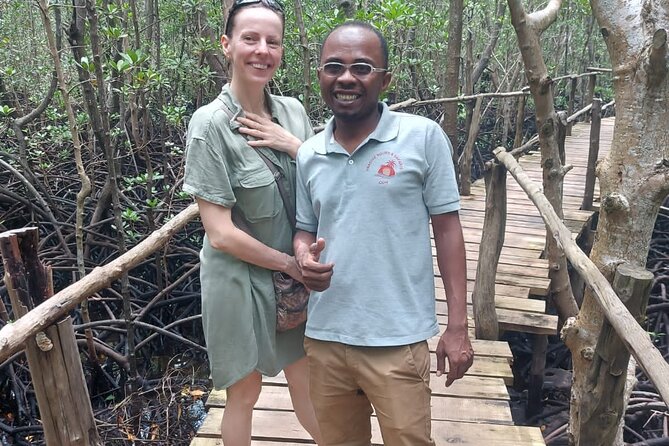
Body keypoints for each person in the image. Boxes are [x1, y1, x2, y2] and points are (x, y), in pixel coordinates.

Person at [293, 21, 474, 445]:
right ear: (320, 74)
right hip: (325, 338)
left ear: (385, 79)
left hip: (398, 338)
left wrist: (458, 327)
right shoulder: (308, 154)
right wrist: (303, 258)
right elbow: (304, 229)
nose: (346, 78)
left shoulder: (422, 137)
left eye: (362, 68)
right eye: (334, 67)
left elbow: (448, 232)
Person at [182, 1, 322, 444]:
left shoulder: (294, 112)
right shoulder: (209, 125)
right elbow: (220, 233)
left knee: (307, 378)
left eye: (272, 41)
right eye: (250, 39)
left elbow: (324, 187)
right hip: (239, 277)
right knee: (245, 390)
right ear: (226, 45)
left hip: (291, 270)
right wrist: (289, 264)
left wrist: (296, 145)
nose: (262, 50)